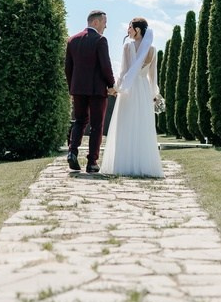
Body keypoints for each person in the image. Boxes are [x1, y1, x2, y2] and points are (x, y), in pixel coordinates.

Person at [100, 17, 163, 178]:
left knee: (126, 123)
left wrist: (117, 88)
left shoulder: (128, 46)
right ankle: (143, 164)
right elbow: (152, 75)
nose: (127, 30)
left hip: (129, 89)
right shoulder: (152, 49)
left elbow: (123, 72)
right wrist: (154, 93)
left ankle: (123, 163)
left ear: (138, 30)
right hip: (143, 89)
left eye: (130, 27)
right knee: (142, 125)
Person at [65, 10, 116, 173]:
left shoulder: (72, 40)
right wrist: (111, 84)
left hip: (78, 89)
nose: (106, 26)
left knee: (79, 121)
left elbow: (68, 68)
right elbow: (105, 66)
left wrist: (71, 88)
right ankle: (92, 161)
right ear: (95, 22)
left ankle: (72, 152)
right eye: (104, 22)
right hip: (96, 90)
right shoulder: (100, 40)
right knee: (96, 125)